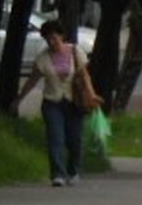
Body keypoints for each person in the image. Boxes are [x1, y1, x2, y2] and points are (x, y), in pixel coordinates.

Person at [13, 19, 94, 187]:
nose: (51, 42)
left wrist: (91, 94)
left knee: (75, 140)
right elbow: (32, 80)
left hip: (74, 102)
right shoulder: (42, 58)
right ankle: (57, 174)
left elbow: (84, 75)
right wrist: (19, 99)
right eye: (48, 39)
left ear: (62, 36)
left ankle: (73, 171)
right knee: (55, 137)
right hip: (52, 102)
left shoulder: (75, 52)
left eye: (54, 38)